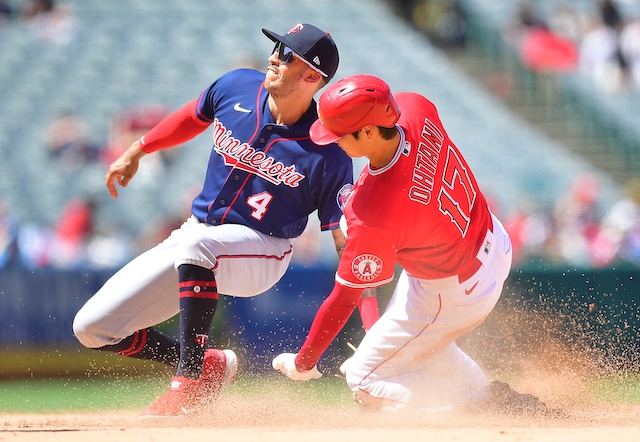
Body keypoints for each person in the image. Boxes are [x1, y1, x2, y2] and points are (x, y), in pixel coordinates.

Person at [72, 23, 379, 417]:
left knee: (198, 247)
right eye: (276, 48)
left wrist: (373, 327)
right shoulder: (236, 86)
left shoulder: (329, 151)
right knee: (92, 328)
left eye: (287, 55)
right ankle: (212, 363)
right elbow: (191, 116)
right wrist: (138, 148)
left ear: (312, 77)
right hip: (197, 238)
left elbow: (346, 245)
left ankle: (189, 382)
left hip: (264, 249)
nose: (274, 58)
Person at [272, 74, 550, 414]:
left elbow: (344, 298)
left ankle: (476, 411)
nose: (333, 141)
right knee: (416, 340)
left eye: (340, 134)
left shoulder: (371, 211)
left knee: (363, 379)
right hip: (490, 239)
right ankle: (483, 394)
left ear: (369, 132)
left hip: (453, 291)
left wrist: (305, 362)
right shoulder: (416, 108)